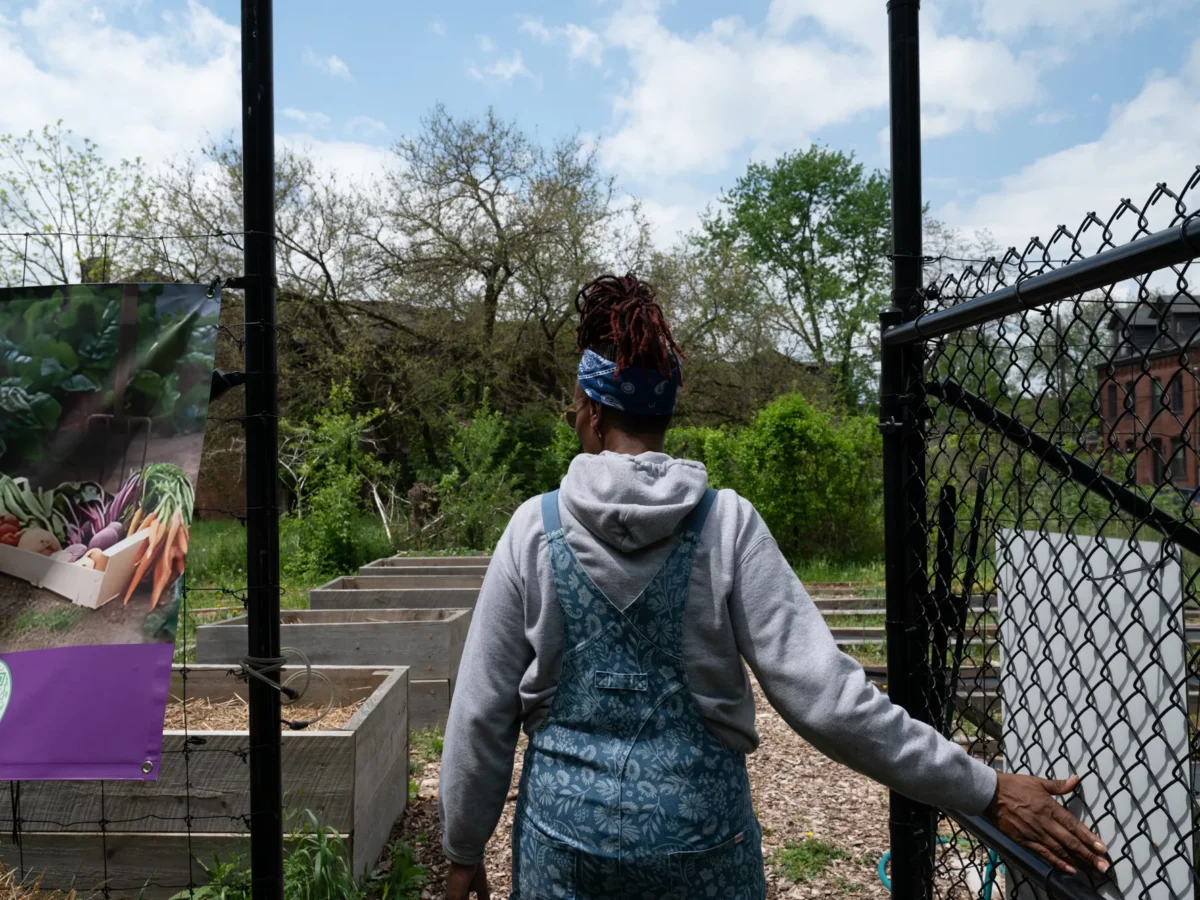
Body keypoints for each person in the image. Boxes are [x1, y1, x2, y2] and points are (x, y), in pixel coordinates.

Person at [439, 273, 1109, 900]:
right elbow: (829, 702)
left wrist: (464, 848)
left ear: (588, 413)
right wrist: (983, 787)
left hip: (564, 851)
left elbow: (481, 713)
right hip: (702, 850)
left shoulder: (534, 529)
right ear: (667, 415)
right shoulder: (724, 525)